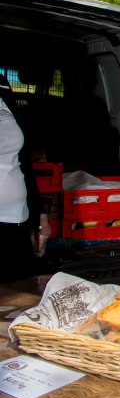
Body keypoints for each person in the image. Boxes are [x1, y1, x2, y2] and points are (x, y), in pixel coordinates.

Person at [0, 73, 47, 284]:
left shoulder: (1, 84)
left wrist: (38, 213)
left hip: (16, 221)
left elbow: (22, 158)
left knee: (20, 300)